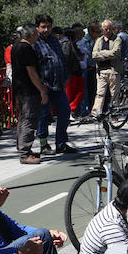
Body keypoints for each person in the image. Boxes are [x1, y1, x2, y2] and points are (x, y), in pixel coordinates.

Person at [33, 15, 77, 156]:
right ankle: (43, 144)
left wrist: (64, 79)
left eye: (48, 26)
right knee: (44, 116)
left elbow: (61, 59)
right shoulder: (34, 42)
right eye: (43, 27)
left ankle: (61, 143)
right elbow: (32, 66)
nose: (46, 29)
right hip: (43, 86)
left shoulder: (54, 40)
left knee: (65, 111)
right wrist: (40, 86)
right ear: (37, 27)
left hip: (58, 85)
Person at [9, 25, 47, 164]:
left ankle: (22, 148)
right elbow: (31, 71)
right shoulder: (26, 48)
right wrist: (42, 90)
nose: (37, 36)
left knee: (23, 119)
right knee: (29, 120)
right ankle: (25, 153)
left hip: (20, 89)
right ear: (31, 35)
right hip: (28, 90)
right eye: (36, 34)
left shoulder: (16, 47)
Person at [90, 19, 125, 119]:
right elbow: (94, 54)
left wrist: (101, 54)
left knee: (114, 94)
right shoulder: (99, 40)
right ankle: (96, 113)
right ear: (103, 29)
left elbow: (115, 53)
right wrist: (107, 53)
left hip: (113, 70)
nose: (108, 31)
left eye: (110, 29)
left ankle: (115, 115)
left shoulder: (117, 39)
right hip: (101, 71)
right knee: (100, 93)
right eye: (106, 29)